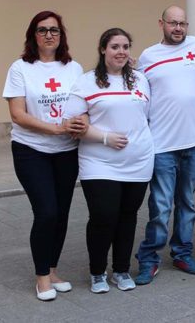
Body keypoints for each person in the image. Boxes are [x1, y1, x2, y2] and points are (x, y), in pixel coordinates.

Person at [2, 11, 87, 301]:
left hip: (66, 151)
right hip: (31, 150)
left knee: (61, 213)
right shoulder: (20, 68)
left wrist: (79, 123)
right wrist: (54, 129)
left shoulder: (73, 68)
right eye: (42, 30)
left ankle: (52, 269)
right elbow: (17, 114)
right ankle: (41, 277)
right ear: (33, 36)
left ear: (61, 35)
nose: (49, 34)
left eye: (54, 30)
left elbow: (83, 105)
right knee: (46, 211)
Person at [63, 28, 153, 294]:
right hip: (99, 163)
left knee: (128, 217)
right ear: (103, 49)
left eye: (126, 46)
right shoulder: (86, 81)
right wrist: (104, 138)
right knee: (104, 216)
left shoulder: (140, 80)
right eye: (115, 46)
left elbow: (145, 117)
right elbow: (72, 124)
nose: (121, 52)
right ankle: (97, 272)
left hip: (138, 162)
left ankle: (122, 269)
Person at [134, 6, 195, 285]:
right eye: (172, 23)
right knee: (161, 206)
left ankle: (181, 253)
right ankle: (149, 257)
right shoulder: (148, 56)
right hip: (162, 144)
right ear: (161, 23)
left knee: (187, 203)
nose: (178, 28)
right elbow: (137, 90)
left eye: (182, 23)